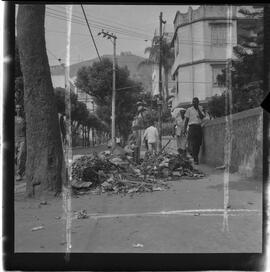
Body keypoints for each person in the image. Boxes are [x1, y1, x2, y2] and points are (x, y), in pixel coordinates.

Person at [183, 97, 205, 165]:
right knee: (192, 143)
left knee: (198, 144)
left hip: (198, 127)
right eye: (193, 102)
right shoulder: (189, 109)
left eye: (195, 102)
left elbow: (202, 117)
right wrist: (184, 129)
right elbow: (186, 120)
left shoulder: (201, 108)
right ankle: (195, 158)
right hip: (192, 127)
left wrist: (198, 109)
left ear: (198, 102)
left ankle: (195, 157)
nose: (194, 103)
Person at [15, 104, 26, 181]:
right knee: (15, 157)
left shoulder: (24, 119)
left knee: (20, 157)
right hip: (15, 139)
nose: (18, 109)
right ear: (15, 110)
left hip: (22, 139)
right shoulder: (13, 118)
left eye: (20, 108)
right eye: (17, 108)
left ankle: (19, 174)